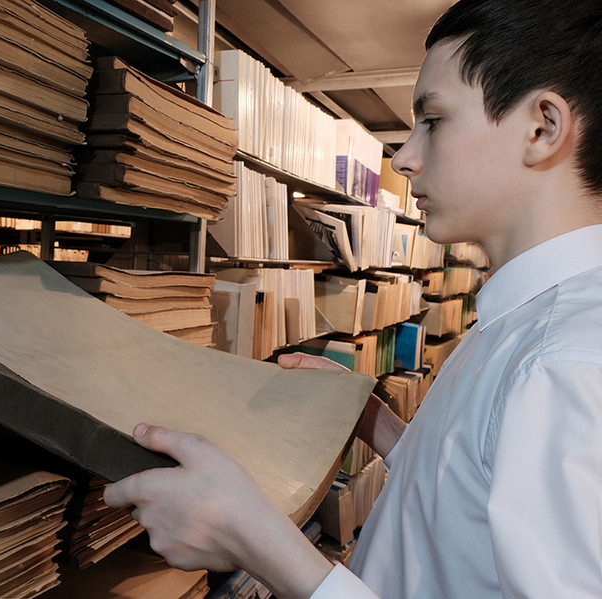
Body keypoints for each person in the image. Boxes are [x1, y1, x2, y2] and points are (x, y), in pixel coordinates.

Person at [104, 0, 602, 596]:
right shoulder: (527, 320)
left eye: (434, 121)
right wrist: (383, 429)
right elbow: (477, 508)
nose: (405, 158)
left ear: (542, 128)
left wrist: (259, 544)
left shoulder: (565, 363)